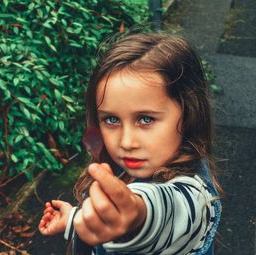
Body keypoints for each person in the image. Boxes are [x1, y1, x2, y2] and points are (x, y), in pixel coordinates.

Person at [39, 33, 222, 255]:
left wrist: (136, 214)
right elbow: (109, 217)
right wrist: (74, 220)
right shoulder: (119, 170)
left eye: (146, 119)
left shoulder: (194, 197)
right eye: (112, 119)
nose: (126, 142)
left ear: (188, 113)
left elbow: (160, 211)